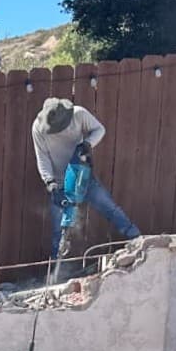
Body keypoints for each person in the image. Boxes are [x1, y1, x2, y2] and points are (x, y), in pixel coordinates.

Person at [31, 97, 140, 261]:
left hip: (83, 175)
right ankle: (57, 267)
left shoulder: (79, 114)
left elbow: (99, 129)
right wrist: (50, 183)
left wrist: (87, 144)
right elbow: (42, 158)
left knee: (108, 207)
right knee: (60, 227)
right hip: (59, 182)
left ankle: (137, 238)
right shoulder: (38, 128)